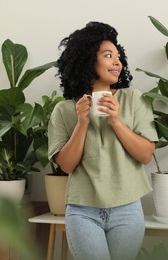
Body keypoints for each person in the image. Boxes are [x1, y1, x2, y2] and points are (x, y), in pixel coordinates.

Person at [48, 21, 158, 260]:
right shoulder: (64, 111)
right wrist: (82, 123)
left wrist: (117, 121)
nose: (117, 62)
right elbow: (66, 166)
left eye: (118, 56)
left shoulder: (133, 100)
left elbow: (146, 155)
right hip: (82, 211)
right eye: (108, 55)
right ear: (88, 60)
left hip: (127, 209)